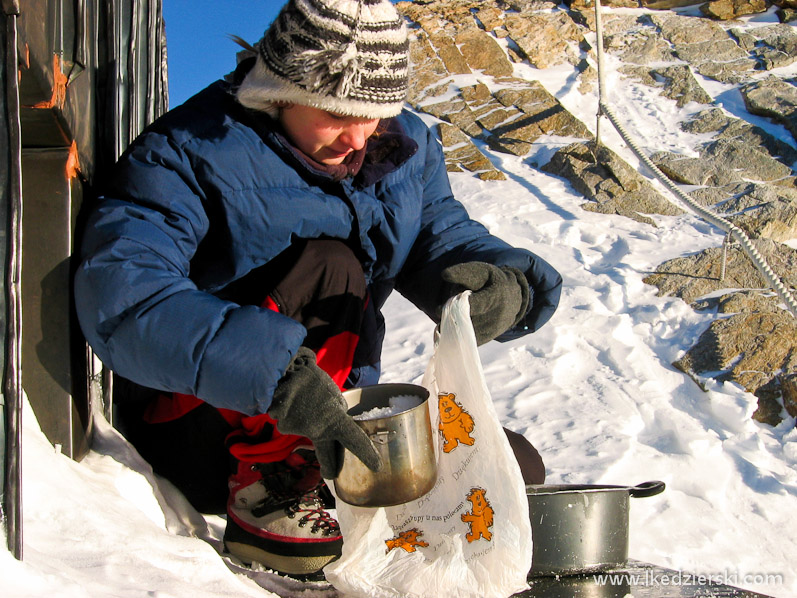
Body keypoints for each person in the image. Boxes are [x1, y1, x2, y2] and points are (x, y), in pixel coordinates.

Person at [74, 0, 562, 578]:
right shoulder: (187, 152)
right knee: (331, 265)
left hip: (331, 411)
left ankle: (322, 478)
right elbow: (125, 297)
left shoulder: (401, 147)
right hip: (205, 425)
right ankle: (272, 487)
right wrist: (274, 375)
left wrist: (506, 282)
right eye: (337, 113)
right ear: (279, 88)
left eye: (375, 115)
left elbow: (441, 237)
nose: (359, 139)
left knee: (510, 465)